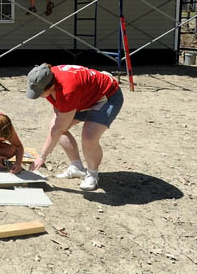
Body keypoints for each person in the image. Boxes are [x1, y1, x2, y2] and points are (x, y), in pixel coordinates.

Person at [25, 63, 124, 191]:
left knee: (89, 137)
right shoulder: (47, 77)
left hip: (107, 96)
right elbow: (58, 112)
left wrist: (42, 157)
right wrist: (56, 125)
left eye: (41, 92)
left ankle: (92, 174)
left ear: (51, 86)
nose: (40, 95)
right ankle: (77, 167)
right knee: (55, 128)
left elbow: (59, 127)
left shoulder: (67, 90)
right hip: (83, 96)